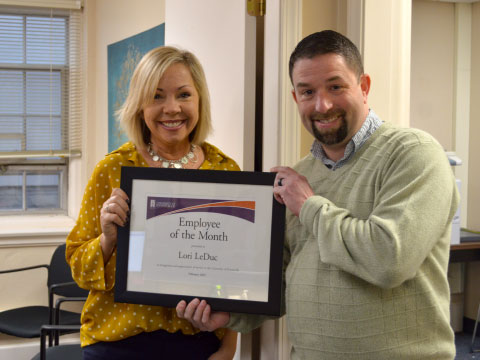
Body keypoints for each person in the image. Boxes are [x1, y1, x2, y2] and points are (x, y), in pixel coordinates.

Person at [176, 30, 460, 359]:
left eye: (335, 86)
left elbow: (389, 260)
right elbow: (280, 285)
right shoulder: (298, 177)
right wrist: (231, 315)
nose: (322, 104)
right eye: (307, 91)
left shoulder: (414, 154)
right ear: (296, 99)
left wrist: (308, 206)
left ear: (364, 87)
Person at [66, 46, 239, 360]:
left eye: (184, 94)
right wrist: (107, 240)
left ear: (199, 100)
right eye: (157, 96)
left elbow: (235, 270)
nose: (171, 108)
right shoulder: (112, 170)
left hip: (199, 344)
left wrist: (228, 348)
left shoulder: (225, 172)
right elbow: (78, 268)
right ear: (139, 105)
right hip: (117, 344)